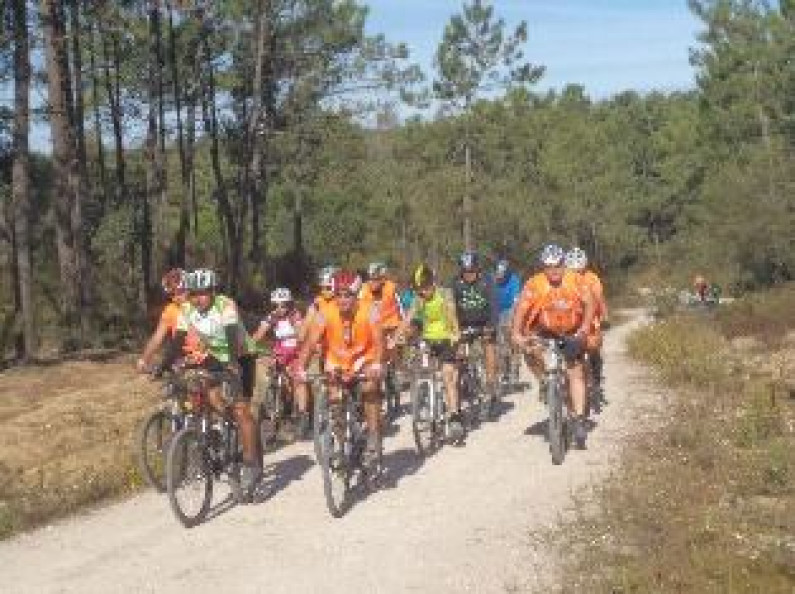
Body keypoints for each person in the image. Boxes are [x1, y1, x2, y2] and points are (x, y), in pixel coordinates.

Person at [158, 269, 261, 496]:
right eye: (193, 294)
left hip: (241, 356)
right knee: (209, 394)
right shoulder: (187, 309)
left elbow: (232, 334)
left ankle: (251, 464)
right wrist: (164, 363)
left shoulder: (225, 305)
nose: (198, 299)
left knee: (241, 409)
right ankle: (224, 430)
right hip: (214, 356)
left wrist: (233, 363)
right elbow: (178, 340)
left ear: (214, 291)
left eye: (203, 294)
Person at [293, 270, 385, 463]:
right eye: (338, 295)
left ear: (356, 295)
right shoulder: (324, 313)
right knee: (335, 400)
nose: (343, 300)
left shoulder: (371, 310)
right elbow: (310, 343)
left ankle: (374, 438)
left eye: (348, 295)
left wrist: (376, 364)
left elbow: (379, 341)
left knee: (370, 388)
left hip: (363, 360)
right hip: (336, 361)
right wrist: (301, 367)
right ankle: (341, 445)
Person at [511, 245, 595, 449]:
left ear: (563, 265)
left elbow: (590, 304)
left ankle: (578, 419)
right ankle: (545, 381)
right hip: (544, 330)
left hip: (572, 330)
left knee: (575, 373)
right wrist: (516, 333)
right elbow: (522, 309)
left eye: (557, 266)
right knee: (530, 352)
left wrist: (584, 328)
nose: (553, 271)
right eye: (548, 267)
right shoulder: (535, 284)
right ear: (543, 267)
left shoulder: (575, 280)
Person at [395, 264, 464, 440]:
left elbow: (451, 314)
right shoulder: (418, 299)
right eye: (419, 289)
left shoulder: (444, 294)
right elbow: (408, 318)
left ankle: (454, 415)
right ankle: (427, 402)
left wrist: (456, 334)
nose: (423, 292)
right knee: (424, 371)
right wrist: (396, 336)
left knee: (448, 375)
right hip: (428, 339)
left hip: (447, 339)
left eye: (425, 287)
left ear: (433, 282)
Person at [252, 287, 310, 438]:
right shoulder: (271, 317)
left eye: (283, 305)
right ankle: (272, 413)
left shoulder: (295, 316)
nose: (280, 309)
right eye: (276, 305)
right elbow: (259, 333)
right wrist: (249, 345)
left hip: (295, 353)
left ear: (289, 305)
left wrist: (298, 335)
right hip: (279, 354)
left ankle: (303, 414)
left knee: (299, 381)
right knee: (268, 373)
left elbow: (300, 333)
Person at [453, 251, 499, 420]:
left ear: (478, 269)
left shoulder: (488, 281)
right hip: (464, 325)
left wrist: (491, 326)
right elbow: (452, 306)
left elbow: (494, 305)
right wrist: (454, 329)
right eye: (465, 271)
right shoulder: (456, 283)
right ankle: (463, 386)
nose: (468, 274)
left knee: (489, 347)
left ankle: (491, 384)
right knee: (458, 357)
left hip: (485, 324)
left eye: (471, 271)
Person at [137, 268, 196, 371]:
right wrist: (144, 359)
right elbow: (157, 337)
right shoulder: (170, 310)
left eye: (180, 292)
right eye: (172, 294)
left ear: (189, 289)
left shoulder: (200, 304)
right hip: (182, 355)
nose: (176, 297)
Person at [565, 247, 608, 386]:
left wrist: (605, 317)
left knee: (593, 345)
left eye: (580, 270)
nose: (577, 273)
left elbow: (600, 299)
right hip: (570, 319)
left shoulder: (592, 278)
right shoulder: (563, 278)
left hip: (591, 318)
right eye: (573, 270)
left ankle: (596, 372)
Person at [493, 258, 523, 382]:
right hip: (497, 310)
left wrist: (512, 320)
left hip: (510, 309)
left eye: (502, 275)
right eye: (498, 274)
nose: (500, 277)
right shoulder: (493, 279)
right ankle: (504, 370)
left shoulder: (514, 280)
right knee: (500, 343)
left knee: (512, 339)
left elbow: (516, 302)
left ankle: (515, 366)